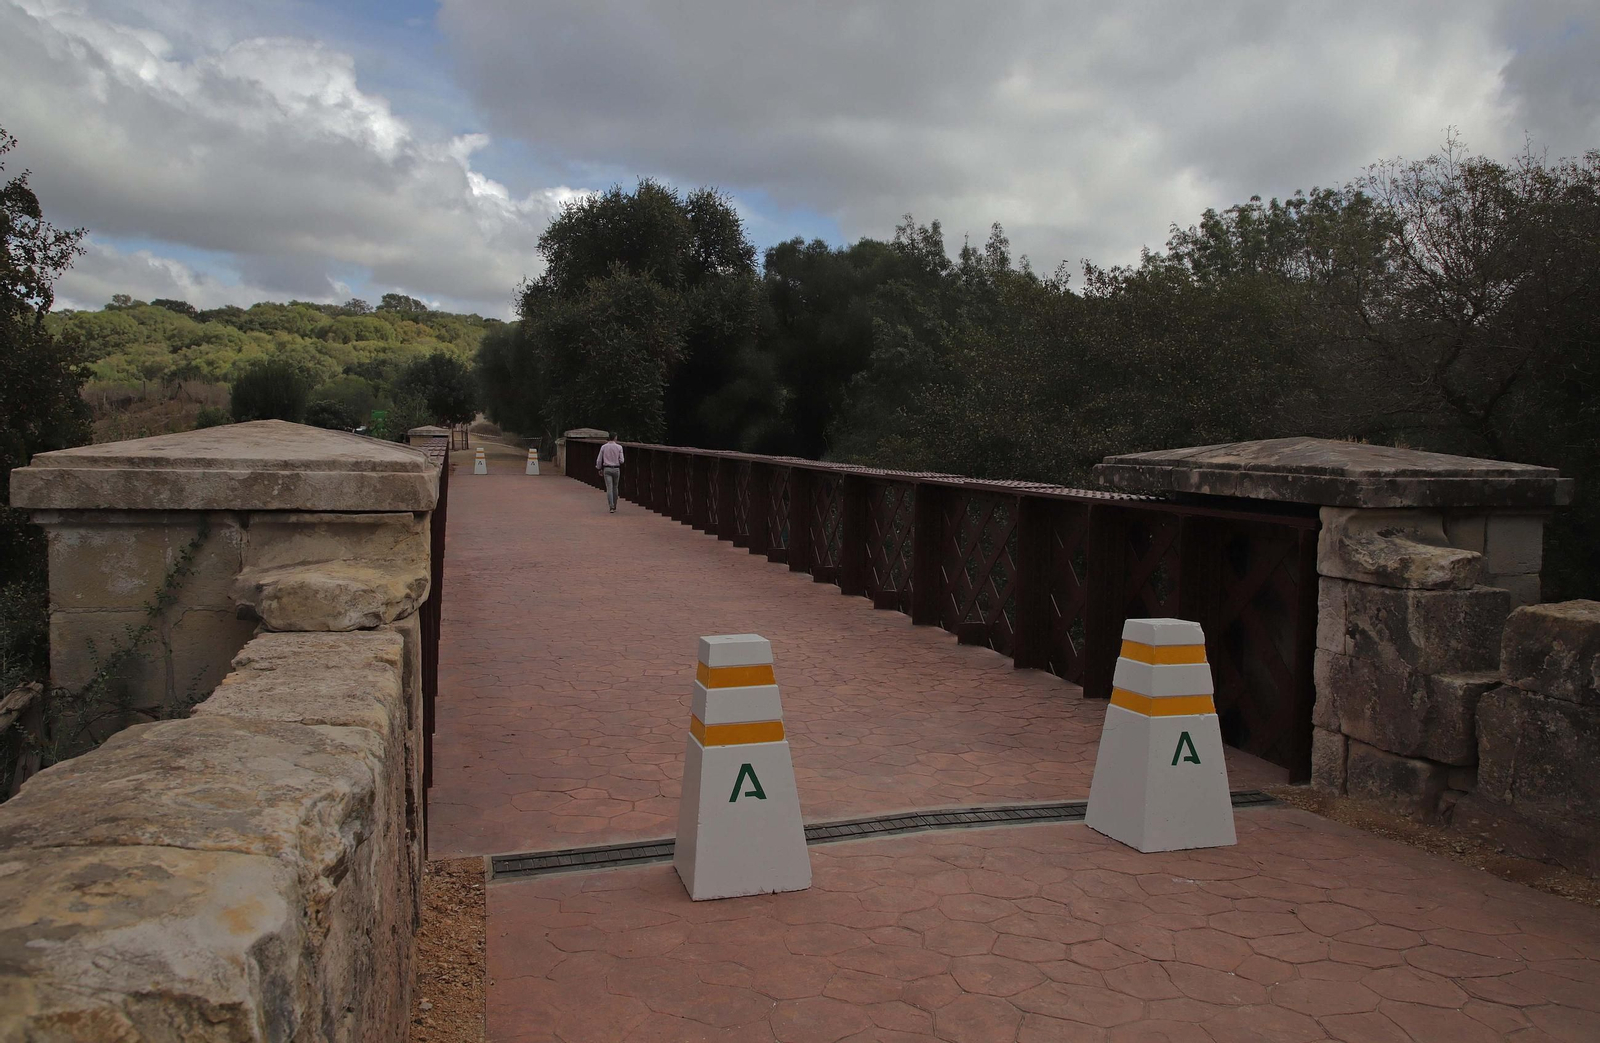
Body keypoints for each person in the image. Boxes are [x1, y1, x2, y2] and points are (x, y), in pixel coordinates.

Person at [596, 433, 624, 513]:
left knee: (609, 488)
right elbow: (622, 460)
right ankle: (615, 505)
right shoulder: (619, 447)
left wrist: (599, 468)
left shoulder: (604, 447)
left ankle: (611, 506)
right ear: (615, 438)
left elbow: (599, 459)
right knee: (615, 487)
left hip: (607, 468)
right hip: (616, 468)